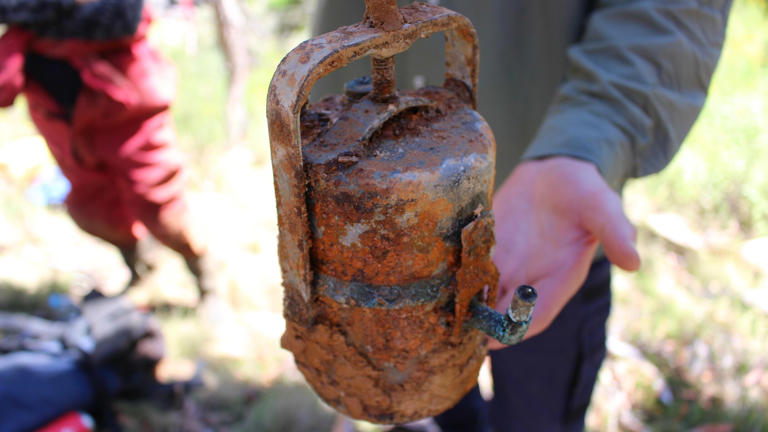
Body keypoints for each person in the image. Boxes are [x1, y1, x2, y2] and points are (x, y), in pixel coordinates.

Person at [312, 1, 732, 431]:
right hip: (367, 220)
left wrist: (589, 135)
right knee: (422, 406)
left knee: (536, 414)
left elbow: (667, 14)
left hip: (539, 239)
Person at [0, 0, 214, 299]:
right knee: (93, 209)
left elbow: (126, 17)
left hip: (128, 116)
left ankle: (207, 284)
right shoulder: (26, 27)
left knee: (162, 209)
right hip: (65, 124)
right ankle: (141, 266)